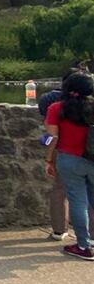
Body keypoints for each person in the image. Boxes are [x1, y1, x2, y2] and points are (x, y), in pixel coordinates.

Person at [45, 71, 94, 261]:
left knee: (78, 202)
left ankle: (83, 245)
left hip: (69, 160)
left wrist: (48, 159)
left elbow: (51, 137)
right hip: (92, 158)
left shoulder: (56, 108)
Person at [40, 68, 87, 241]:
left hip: (64, 153)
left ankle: (59, 230)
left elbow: (50, 135)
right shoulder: (89, 104)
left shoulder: (51, 103)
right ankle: (89, 238)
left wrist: (48, 158)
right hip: (89, 154)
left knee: (60, 192)